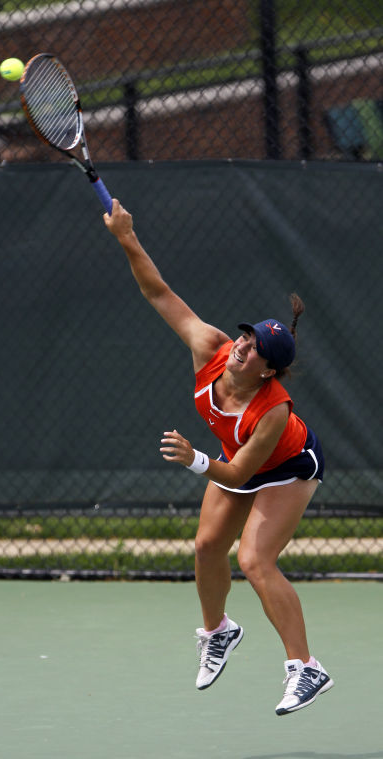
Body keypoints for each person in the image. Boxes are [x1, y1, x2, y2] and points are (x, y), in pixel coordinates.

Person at [104, 199, 334, 716]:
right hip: (236, 458)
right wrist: (126, 237)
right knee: (208, 546)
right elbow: (158, 292)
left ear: (268, 371)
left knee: (254, 559)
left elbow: (238, 474)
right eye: (246, 336)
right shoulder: (210, 347)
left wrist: (192, 459)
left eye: (253, 350)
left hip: (286, 469)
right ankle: (219, 631)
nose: (242, 348)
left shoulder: (272, 409)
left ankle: (306, 667)